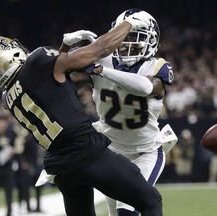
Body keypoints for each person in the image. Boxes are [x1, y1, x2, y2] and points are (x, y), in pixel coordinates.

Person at [0, 11, 164, 216]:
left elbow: (54, 81)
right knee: (150, 201)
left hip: (61, 166)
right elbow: (101, 48)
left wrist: (64, 48)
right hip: (86, 150)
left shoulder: (7, 98)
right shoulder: (38, 61)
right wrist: (129, 23)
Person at [66, 9, 178, 216]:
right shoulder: (104, 59)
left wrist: (102, 71)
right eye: (125, 37)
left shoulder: (157, 66)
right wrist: (71, 49)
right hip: (110, 151)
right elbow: (62, 71)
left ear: (151, 41)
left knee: (127, 211)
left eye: (136, 38)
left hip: (145, 152)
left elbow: (145, 87)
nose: (128, 44)